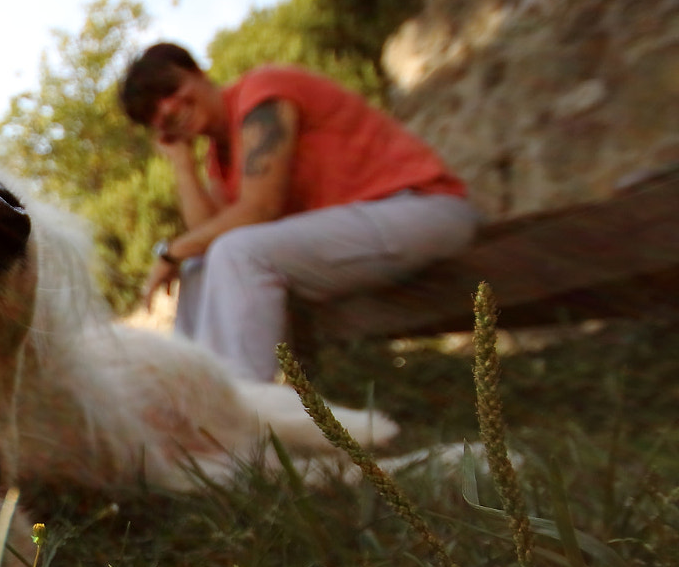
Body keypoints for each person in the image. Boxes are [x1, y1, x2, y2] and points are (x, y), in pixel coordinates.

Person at [118, 42, 481, 382]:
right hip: (367, 234)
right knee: (201, 266)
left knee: (241, 252)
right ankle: (196, 409)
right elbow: (208, 239)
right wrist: (183, 164)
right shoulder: (219, 156)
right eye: (151, 114)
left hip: (421, 208)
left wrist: (172, 252)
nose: (165, 110)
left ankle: (244, 422)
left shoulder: (262, 94)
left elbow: (259, 209)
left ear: (197, 72)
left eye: (169, 91)